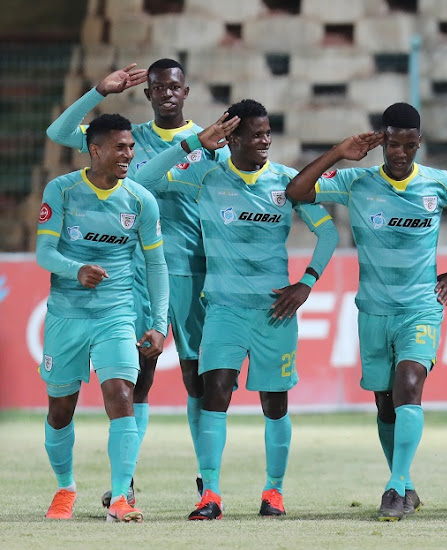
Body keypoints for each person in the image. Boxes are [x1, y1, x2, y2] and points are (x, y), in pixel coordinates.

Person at [136, 99, 339, 520]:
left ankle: (274, 493)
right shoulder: (205, 175)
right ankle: (210, 494)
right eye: (257, 134)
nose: (265, 140)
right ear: (233, 138)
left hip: (274, 314)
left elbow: (329, 233)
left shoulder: (286, 181)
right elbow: (144, 178)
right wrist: (193, 142)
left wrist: (307, 282)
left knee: (275, 405)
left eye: (268, 133)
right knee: (214, 395)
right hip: (224, 311)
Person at [286, 102, 447, 521]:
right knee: (384, 403)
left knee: (409, 384)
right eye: (392, 144)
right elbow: (298, 191)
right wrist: (339, 151)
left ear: (419, 142)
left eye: (408, 145)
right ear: (382, 140)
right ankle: (407, 482)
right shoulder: (356, 182)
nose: (399, 153)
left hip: (420, 308)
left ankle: (394, 489)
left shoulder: (439, 183)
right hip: (373, 311)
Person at [46, 59, 224, 503]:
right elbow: (58, 133)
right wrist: (98, 91)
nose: (166, 93)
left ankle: (208, 484)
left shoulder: (211, 143)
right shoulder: (127, 140)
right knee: (138, 378)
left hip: (194, 272)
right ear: (148, 94)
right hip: (138, 277)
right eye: (158, 86)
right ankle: (125, 486)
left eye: (174, 86)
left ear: (186, 91)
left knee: (196, 378)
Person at [37, 114, 169, 522]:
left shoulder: (140, 200)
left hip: (116, 313)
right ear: (95, 151)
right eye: (120, 147)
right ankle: (65, 488)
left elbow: (157, 266)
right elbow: (44, 254)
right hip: (66, 315)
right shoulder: (61, 190)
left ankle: (121, 499)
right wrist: (75, 269)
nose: (128, 154)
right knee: (61, 409)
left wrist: (159, 323)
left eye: (131, 147)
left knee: (122, 396)